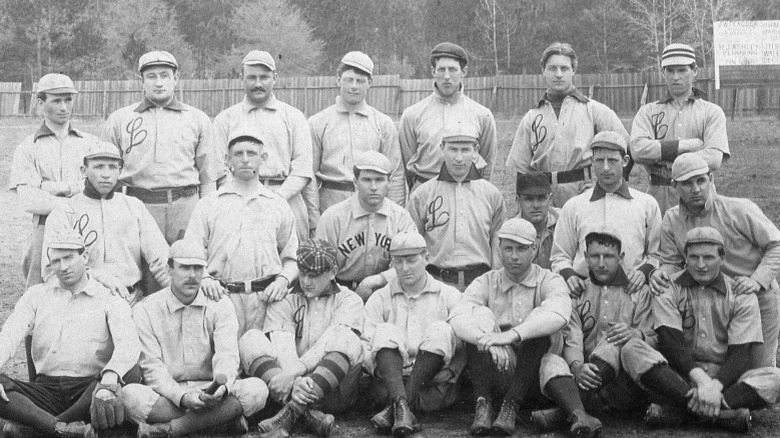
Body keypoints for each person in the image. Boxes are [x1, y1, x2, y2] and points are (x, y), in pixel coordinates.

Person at [450, 218, 601, 438]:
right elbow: (458, 315)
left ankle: (514, 405)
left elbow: (558, 313)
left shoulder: (550, 279)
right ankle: (483, 406)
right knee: (477, 322)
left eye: (521, 249)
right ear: (499, 249)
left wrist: (510, 336)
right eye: (508, 249)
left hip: (541, 373)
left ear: (535, 249)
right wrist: (489, 339)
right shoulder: (487, 281)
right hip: (503, 371)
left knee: (538, 325)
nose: (514, 256)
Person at [622, 227, 780, 433]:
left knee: (775, 377)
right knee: (632, 349)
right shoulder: (668, 287)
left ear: (722, 258)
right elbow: (671, 342)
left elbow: (741, 353)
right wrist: (702, 382)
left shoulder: (741, 293)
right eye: (694, 257)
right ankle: (723, 414)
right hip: (678, 376)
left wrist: (714, 387)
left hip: (727, 381)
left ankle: (682, 410)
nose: (701, 265)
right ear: (685, 257)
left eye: (709, 257)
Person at [0, 228, 140, 438]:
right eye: (56, 261)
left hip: (88, 390)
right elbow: (10, 334)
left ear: (84, 257)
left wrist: (109, 377)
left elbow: (128, 344)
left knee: (130, 372)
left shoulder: (109, 297)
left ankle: (40, 427)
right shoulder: (37, 295)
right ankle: (62, 430)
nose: (63, 267)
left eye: (69, 258)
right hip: (45, 390)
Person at [121, 239, 268, 438]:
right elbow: (152, 368)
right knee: (129, 397)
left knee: (257, 390)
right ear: (168, 269)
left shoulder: (220, 304)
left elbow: (227, 355)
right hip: (170, 396)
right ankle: (219, 421)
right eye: (184, 267)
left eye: (198, 268)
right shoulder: (145, 310)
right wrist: (182, 397)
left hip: (212, 393)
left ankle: (170, 431)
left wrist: (221, 390)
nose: (192, 275)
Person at [650, 154, 780, 369]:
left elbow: (776, 244)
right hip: (709, 302)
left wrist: (757, 280)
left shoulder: (738, 209)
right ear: (675, 186)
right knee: (720, 367)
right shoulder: (672, 219)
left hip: (755, 296)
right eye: (687, 183)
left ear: (711, 179)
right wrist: (661, 273)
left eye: (701, 180)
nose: (696, 189)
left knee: (760, 370)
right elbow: (672, 262)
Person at [530, 227, 656, 433]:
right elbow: (573, 338)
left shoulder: (638, 292)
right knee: (550, 360)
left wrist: (636, 334)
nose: (601, 263)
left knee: (614, 340)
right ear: (586, 257)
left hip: (623, 387)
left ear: (621, 257)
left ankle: (566, 412)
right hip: (583, 378)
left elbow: (652, 340)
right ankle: (581, 415)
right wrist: (578, 367)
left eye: (608, 256)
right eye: (595, 256)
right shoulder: (577, 292)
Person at [239, 239, 365, 437]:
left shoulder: (349, 299)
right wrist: (294, 380)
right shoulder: (286, 298)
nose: (306, 281)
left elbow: (327, 344)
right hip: (286, 387)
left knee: (347, 339)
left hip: (332, 392)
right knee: (251, 338)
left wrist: (293, 376)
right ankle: (308, 415)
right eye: (303, 273)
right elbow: (283, 347)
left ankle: (294, 409)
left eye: (314, 275)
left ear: (332, 272)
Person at [102, 50, 226, 245]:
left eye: (165, 76)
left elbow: (208, 176)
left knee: (188, 265)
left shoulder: (197, 119)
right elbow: (108, 175)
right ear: (141, 80)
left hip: (186, 206)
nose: (158, 82)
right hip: (140, 205)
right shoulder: (119, 120)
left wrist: (206, 215)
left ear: (175, 78)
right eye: (151, 76)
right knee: (145, 270)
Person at [185, 130, 298, 337]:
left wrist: (283, 280)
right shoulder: (209, 204)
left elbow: (292, 257)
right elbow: (192, 253)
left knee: (265, 361)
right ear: (228, 160)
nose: (245, 160)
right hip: (222, 298)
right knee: (227, 361)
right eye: (238, 154)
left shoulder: (277, 205)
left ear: (263, 158)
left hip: (266, 300)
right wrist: (206, 279)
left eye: (252, 154)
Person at [362, 231, 464, 437]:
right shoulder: (379, 298)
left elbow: (462, 347)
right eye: (398, 262)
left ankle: (397, 409)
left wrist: (450, 373)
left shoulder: (449, 295)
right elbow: (364, 344)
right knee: (384, 331)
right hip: (388, 385)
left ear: (426, 258)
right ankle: (402, 406)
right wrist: (380, 372)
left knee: (441, 329)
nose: (404, 268)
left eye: (411, 260)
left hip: (433, 388)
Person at [42, 141, 170, 304]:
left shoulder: (134, 206)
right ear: (83, 171)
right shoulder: (64, 212)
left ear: (120, 171)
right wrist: (95, 276)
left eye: (112, 167)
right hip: (82, 300)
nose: (106, 174)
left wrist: (176, 291)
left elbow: (160, 258)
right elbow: (50, 273)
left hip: (130, 298)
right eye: (98, 166)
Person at [506, 42, 628, 208]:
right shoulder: (532, 117)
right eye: (552, 68)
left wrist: (610, 188)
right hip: (542, 195)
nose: (558, 74)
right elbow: (520, 168)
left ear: (573, 71)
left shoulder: (593, 110)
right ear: (543, 71)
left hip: (583, 192)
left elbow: (627, 148)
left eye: (564, 69)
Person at [10, 73, 98, 289]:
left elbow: (98, 187)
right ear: (41, 103)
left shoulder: (90, 143)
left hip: (84, 223)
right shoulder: (28, 147)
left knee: (90, 285)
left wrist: (52, 187)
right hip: (44, 226)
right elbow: (28, 200)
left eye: (68, 99)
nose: (63, 107)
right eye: (56, 100)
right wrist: (73, 196)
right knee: (40, 288)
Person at [213, 50, 312, 239]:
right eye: (251, 78)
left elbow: (302, 168)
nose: (258, 84)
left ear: (275, 78)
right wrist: (240, 196)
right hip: (239, 201)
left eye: (264, 77)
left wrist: (276, 199)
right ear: (241, 78)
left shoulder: (293, 117)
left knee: (290, 262)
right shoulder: (225, 119)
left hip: (285, 199)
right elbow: (219, 167)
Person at [551, 131, 661, 297]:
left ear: (625, 161)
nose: (606, 168)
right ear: (592, 162)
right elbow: (560, 255)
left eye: (612, 161)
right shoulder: (574, 205)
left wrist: (644, 272)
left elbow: (657, 253)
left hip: (632, 292)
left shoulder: (646, 204)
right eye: (599, 161)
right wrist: (569, 275)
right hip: (585, 294)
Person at [306, 51, 405, 227]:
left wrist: (395, 218)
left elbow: (395, 174)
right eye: (349, 80)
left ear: (370, 83)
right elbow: (309, 175)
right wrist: (314, 219)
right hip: (330, 204)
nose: (354, 86)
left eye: (360, 81)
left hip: (373, 206)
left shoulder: (383, 124)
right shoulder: (318, 122)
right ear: (338, 80)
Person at [630, 43, 729, 214]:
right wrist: (685, 146)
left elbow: (713, 158)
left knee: (701, 238)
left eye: (682, 70)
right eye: (670, 70)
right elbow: (638, 150)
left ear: (695, 71)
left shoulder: (711, 112)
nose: (676, 77)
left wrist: (660, 154)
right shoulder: (648, 111)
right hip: (659, 193)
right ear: (663, 73)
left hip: (699, 193)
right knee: (660, 239)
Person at [407, 129, 506, 292]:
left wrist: (494, 281)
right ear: (442, 148)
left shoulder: (491, 194)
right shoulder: (422, 194)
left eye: (465, 150)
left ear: (475, 151)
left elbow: (497, 239)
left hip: (480, 283)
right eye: (453, 149)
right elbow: (413, 244)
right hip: (436, 283)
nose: (459, 158)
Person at [315, 151, 416, 301]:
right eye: (367, 180)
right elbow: (319, 268)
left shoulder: (401, 217)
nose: (374, 187)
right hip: (340, 292)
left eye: (380, 180)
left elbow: (413, 261)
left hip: (387, 292)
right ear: (355, 182)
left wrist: (377, 280)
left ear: (390, 181)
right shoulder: (333, 217)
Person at [399, 42, 497, 190]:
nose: (446, 76)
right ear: (433, 71)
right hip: (426, 190)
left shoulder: (482, 115)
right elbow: (407, 163)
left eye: (452, 69)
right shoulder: (412, 115)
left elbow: (487, 162)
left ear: (463, 72)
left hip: (467, 189)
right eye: (441, 69)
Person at [515, 172, 560, 269]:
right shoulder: (512, 230)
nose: (536, 205)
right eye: (529, 199)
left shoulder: (563, 220)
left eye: (541, 198)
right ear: (518, 200)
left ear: (550, 199)